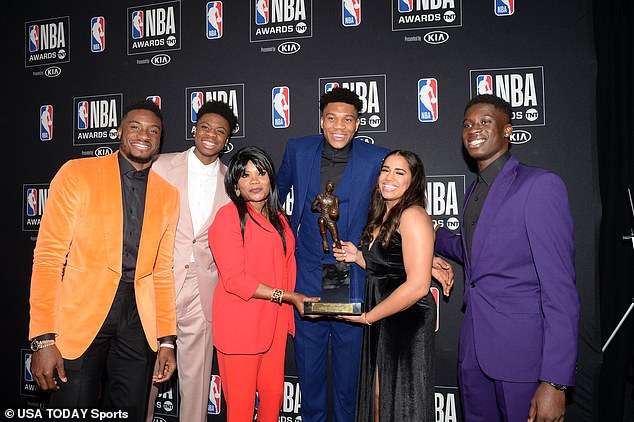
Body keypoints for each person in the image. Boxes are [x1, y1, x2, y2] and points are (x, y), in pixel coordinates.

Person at [28, 99, 179, 421]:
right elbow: (48, 258)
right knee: (72, 407)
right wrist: (42, 339)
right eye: (135, 127)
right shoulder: (77, 173)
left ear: (160, 139)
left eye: (154, 130)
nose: (144, 135)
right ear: (119, 131)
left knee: (130, 413)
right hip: (82, 313)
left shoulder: (168, 194)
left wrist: (167, 339)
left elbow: (163, 270)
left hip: (138, 320)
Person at [434, 94, 580, 422]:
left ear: (508, 130)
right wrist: (432, 236)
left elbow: (561, 289)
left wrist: (554, 381)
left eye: (485, 122)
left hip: (522, 359)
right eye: (468, 124)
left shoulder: (539, 185)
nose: (474, 129)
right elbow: (475, 255)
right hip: (473, 353)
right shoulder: (474, 190)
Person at [277, 87, 390, 422]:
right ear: (321, 121)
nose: (339, 125)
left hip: (351, 274)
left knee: (348, 378)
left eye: (348, 119)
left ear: (357, 125)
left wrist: (426, 253)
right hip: (307, 271)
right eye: (332, 118)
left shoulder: (376, 158)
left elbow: (396, 210)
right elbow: (275, 198)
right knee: (309, 375)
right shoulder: (298, 150)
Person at [208, 146, 318, 422]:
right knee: (242, 410)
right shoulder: (228, 217)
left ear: (271, 178)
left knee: (272, 399)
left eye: (261, 173)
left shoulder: (279, 218)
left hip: (275, 324)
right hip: (241, 325)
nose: (254, 181)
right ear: (235, 185)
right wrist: (289, 296)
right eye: (245, 176)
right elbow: (235, 280)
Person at [146, 100, 235, 422]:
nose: (211, 135)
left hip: (204, 289)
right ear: (195, 129)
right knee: (145, 377)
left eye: (220, 131)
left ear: (228, 140)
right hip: (158, 283)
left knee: (197, 381)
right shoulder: (159, 165)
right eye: (206, 127)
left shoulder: (232, 182)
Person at [334, 150, 436, 422]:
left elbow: (417, 285)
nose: (389, 178)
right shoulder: (383, 214)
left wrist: (367, 317)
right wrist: (357, 257)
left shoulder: (412, 215)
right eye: (386, 170)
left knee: (402, 400)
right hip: (383, 314)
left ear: (413, 181)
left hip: (406, 318)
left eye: (399, 172)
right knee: (380, 397)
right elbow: (388, 268)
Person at [312, 180, 342, 252]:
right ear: (325, 187)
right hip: (323, 216)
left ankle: (341, 254)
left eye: (331, 186)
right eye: (328, 185)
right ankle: (325, 241)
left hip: (331, 219)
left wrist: (335, 214)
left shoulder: (335, 198)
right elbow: (313, 206)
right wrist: (317, 208)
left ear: (332, 189)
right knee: (321, 220)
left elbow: (337, 210)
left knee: (336, 238)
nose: (329, 187)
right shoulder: (320, 196)